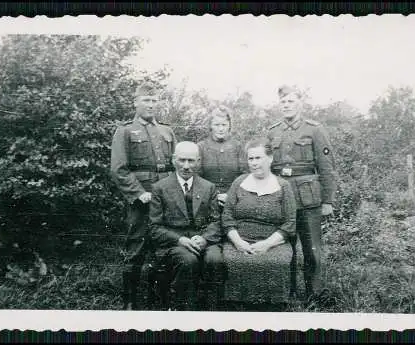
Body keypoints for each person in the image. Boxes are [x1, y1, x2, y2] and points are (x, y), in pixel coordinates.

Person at [110, 81, 177, 310]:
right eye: (146, 100)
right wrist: (139, 193)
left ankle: (161, 298)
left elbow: (175, 166)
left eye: (154, 100)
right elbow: (119, 169)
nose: (150, 104)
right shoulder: (126, 130)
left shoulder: (167, 131)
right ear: (135, 103)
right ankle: (129, 300)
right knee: (136, 246)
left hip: (166, 198)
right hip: (141, 200)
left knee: (165, 245)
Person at [267, 85, 337, 304]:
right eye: (283, 102)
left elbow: (326, 167)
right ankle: (285, 293)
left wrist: (328, 200)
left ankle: (315, 294)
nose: (287, 105)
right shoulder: (273, 131)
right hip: (280, 196)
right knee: (283, 247)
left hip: (308, 197)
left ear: (300, 103)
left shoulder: (315, 129)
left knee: (312, 248)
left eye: (291, 101)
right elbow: (267, 166)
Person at [221, 138, 297, 308]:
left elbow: (290, 222)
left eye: (258, 158)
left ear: (270, 159)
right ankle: (236, 307)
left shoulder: (283, 186)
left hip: (274, 241)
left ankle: (271, 308)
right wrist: (238, 242)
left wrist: (267, 244)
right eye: (251, 159)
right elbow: (227, 217)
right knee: (235, 261)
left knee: (274, 262)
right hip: (239, 240)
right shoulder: (239, 182)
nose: (254, 163)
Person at [149, 141, 225, 311]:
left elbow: (216, 221)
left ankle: (211, 309)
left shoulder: (208, 187)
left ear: (198, 161)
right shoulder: (160, 188)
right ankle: (180, 308)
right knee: (187, 260)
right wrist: (180, 240)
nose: (186, 166)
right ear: (174, 160)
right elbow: (155, 228)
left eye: (191, 161)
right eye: (182, 160)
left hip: (203, 239)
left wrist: (205, 239)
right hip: (174, 243)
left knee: (215, 259)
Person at [197, 106, 247, 209]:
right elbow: (196, 176)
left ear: (229, 126)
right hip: (207, 199)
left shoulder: (238, 146)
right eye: (217, 125)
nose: (220, 129)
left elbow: (244, 175)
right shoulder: (201, 147)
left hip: (234, 198)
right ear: (211, 126)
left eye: (224, 125)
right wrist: (212, 196)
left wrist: (230, 195)